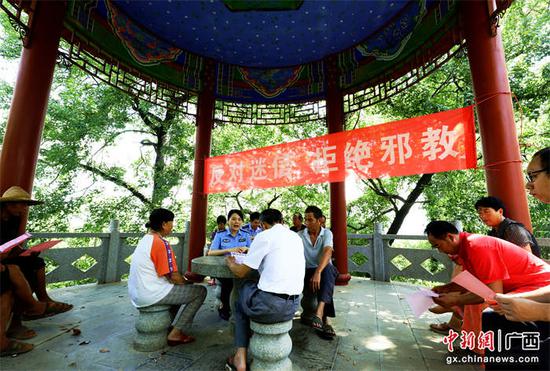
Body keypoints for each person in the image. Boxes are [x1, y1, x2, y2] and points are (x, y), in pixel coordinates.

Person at [425, 221, 550, 369]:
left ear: (450, 237)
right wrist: (447, 288)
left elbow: (493, 295)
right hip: (521, 286)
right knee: (484, 311)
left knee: (493, 314)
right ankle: (479, 352)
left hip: (539, 285)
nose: (439, 251)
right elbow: (474, 282)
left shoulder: (477, 246)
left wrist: (456, 299)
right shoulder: (466, 248)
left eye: (438, 246)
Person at [225, 209, 304, 371]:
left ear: (262, 224)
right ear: (281, 221)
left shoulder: (264, 235)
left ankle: (240, 357)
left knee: (241, 295)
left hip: (270, 307)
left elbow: (240, 272)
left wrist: (231, 262)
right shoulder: (296, 237)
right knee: (253, 290)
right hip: (294, 305)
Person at [0, 186, 72, 340]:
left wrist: (23, 251)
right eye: (22, 204)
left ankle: (42, 297)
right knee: (17, 271)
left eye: (26, 205)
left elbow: (12, 244)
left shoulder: (15, 219)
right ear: (9, 204)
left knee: (35, 261)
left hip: (7, 257)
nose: (25, 208)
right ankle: (23, 316)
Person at [128, 208, 206, 345]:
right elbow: (174, 276)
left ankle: (168, 326)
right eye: (171, 222)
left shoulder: (145, 240)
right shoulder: (160, 243)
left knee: (179, 289)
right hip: (151, 294)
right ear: (164, 224)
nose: (172, 226)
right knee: (200, 292)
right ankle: (176, 333)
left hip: (137, 294)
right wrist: (187, 283)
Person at [298, 206, 338, 339]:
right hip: (306, 272)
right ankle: (325, 321)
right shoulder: (300, 235)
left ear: (320, 220)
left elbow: (328, 251)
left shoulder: (327, 233)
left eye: (310, 220)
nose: (307, 223)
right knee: (327, 277)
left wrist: (318, 272)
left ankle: (319, 313)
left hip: (322, 271)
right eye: (306, 220)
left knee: (328, 270)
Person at [207, 209, 251, 320]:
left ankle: (243, 309)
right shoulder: (220, 235)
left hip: (241, 267)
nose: (236, 222)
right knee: (228, 284)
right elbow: (211, 252)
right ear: (228, 221)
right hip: (224, 269)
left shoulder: (246, 235)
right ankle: (225, 308)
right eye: (233, 219)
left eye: (239, 219)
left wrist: (247, 249)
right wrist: (230, 250)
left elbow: (253, 251)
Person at [475, 196, 540, 256]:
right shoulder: (493, 233)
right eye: (480, 213)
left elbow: (527, 257)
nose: (482, 216)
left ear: (500, 211)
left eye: (487, 211)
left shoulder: (513, 229)